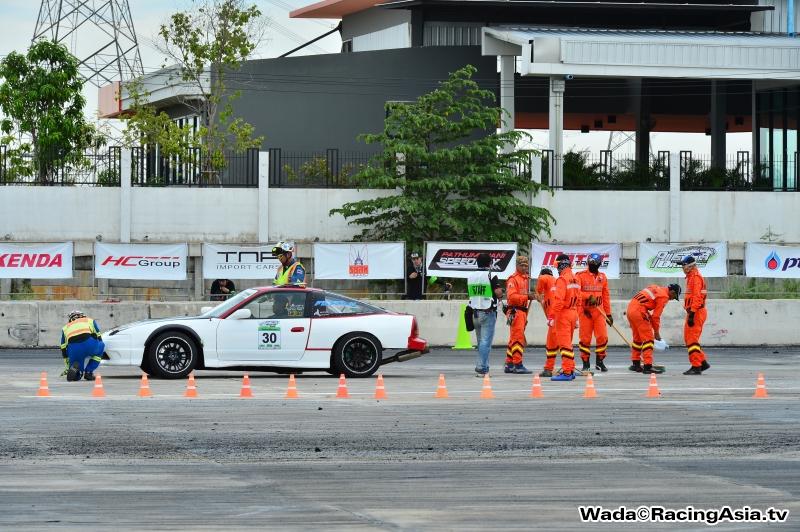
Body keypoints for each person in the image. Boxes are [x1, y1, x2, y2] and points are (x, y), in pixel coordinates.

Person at [627, 284, 681, 374]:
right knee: (649, 340)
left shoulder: (654, 287)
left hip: (630, 310)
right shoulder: (664, 296)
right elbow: (656, 317)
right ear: (672, 292)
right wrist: (656, 333)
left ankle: (636, 364)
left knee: (638, 339)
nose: (672, 299)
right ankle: (648, 366)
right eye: (674, 297)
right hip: (639, 311)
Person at [468, 253, 503, 377]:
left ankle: (483, 368)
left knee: (480, 342)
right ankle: (482, 369)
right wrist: (501, 293)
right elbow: (498, 292)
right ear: (490, 264)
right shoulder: (491, 275)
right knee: (486, 343)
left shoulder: (471, 276)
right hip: (487, 312)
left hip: (474, 312)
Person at [576, 253, 612, 372]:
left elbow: (606, 296)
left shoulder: (603, 277)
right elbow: (576, 293)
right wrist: (588, 296)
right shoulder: (580, 276)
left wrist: (609, 314)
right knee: (585, 338)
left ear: (600, 264)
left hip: (599, 311)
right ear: (588, 263)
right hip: (585, 311)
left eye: (596, 263)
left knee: (602, 336)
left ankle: (599, 361)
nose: (594, 265)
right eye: (591, 263)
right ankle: (585, 363)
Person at [549, 254, 581, 381]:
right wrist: (577, 317)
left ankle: (567, 372)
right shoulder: (575, 278)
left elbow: (559, 301)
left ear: (560, 265)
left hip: (563, 314)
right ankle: (570, 369)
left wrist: (551, 316)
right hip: (573, 313)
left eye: (556, 265)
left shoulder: (562, 279)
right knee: (568, 343)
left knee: (564, 344)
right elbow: (579, 300)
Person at [504, 256, 535, 374]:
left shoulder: (525, 279)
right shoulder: (513, 279)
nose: (524, 268)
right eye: (521, 265)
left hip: (522, 311)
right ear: (517, 266)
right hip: (515, 311)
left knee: (514, 338)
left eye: (526, 266)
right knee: (518, 339)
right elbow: (512, 297)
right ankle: (518, 364)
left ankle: (509, 363)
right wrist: (527, 296)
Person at [681, 255, 711, 375]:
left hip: (697, 311)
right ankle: (702, 362)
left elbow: (697, 298)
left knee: (692, 339)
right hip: (693, 311)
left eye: (684, 265)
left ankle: (696, 366)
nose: (682, 267)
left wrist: (693, 313)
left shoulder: (696, 278)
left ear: (691, 266)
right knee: (688, 338)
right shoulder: (691, 277)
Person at [60, 310, 104, 382]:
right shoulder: (90, 320)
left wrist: (67, 366)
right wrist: (98, 343)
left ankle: (77, 375)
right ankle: (89, 372)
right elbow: (98, 336)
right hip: (89, 344)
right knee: (101, 346)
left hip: (74, 349)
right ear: (82, 315)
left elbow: (63, 348)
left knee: (76, 371)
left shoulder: (65, 328)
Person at [535, 268, 559, 377]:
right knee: (552, 342)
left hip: (554, 316)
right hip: (556, 314)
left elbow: (540, 286)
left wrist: (538, 293)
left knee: (556, 341)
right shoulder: (556, 280)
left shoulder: (544, 277)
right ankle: (549, 368)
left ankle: (568, 368)